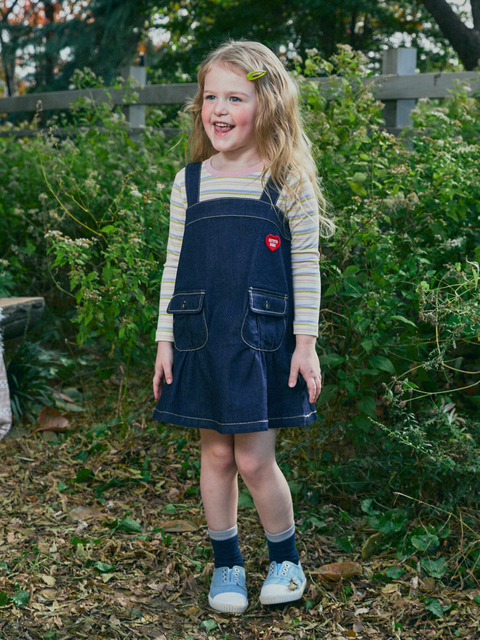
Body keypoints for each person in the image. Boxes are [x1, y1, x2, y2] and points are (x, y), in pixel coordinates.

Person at [153, 40, 334, 614]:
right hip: (202, 336)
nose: (219, 109)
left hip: (260, 340)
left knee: (254, 460)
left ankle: (286, 559)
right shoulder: (190, 182)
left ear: (268, 105)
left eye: (236, 97)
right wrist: (164, 338)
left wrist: (305, 345)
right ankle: (227, 564)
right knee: (216, 457)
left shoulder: (287, 181)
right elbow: (174, 263)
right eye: (211, 97)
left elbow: (305, 265)